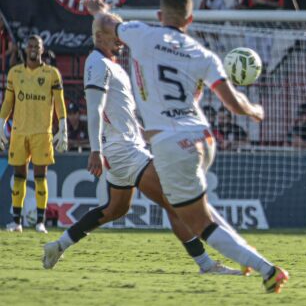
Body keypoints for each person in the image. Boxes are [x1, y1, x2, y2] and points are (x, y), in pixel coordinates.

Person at [87, 0, 289, 293]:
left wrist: (99, 11)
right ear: (190, 20)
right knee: (197, 208)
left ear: (160, 16)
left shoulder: (141, 34)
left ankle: (267, 270)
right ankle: (247, 256)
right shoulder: (202, 54)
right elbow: (234, 104)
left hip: (171, 144)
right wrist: (255, 110)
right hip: (203, 138)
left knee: (198, 222)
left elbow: (105, 22)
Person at [42, 17, 238, 275]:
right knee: (174, 201)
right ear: (100, 36)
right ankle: (207, 265)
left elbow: (123, 116)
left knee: (115, 209)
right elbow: (94, 108)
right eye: (115, 34)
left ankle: (58, 245)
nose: (120, 39)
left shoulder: (113, 66)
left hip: (129, 146)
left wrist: (148, 135)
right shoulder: (96, 63)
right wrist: (95, 151)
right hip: (122, 150)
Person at [1, 35, 67, 233]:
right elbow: (8, 102)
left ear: (42, 49)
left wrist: (63, 126)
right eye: (30, 45)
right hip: (19, 133)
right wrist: (1, 123)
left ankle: (40, 221)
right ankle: (17, 222)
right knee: (19, 176)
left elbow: (59, 102)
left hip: (42, 133)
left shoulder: (52, 74)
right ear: (25, 48)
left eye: (36, 46)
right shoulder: (15, 73)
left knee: (40, 177)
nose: (33, 49)